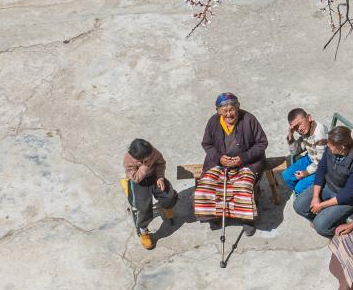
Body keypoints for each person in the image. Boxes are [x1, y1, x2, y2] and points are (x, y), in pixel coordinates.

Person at [193, 92, 268, 236]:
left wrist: (243, 157)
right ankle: (213, 215)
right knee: (206, 187)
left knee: (243, 187)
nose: (229, 114)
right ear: (218, 111)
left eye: (232, 109)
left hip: (246, 163)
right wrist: (219, 157)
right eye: (225, 111)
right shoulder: (213, 121)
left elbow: (262, 143)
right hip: (219, 162)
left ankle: (247, 219)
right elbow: (207, 144)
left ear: (237, 107)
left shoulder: (249, 119)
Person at [293, 126, 353, 238]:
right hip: (331, 185)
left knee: (320, 226)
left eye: (330, 145)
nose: (327, 146)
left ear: (342, 147)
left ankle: (340, 235)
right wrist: (315, 197)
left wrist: (321, 205)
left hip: (349, 197)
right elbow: (322, 169)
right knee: (299, 205)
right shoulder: (333, 146)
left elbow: (349, 194)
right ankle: (326, 220)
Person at [122, 138, 179, 250]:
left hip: (154, 177)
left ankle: (166, 207)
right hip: (139, 183)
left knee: (169, 195)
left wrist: (160, 178)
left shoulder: (152, 151)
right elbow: (135, 178)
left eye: (150, 155)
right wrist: (145, 166)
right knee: (143, 208)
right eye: (147, 157)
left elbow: (160, 163)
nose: (150, 157)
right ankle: (143, 231)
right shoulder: (128, 160)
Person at [282, 108, 328, 195]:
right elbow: (294, 152)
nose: (299, 129)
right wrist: (291, 136)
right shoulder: (305, 131)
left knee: (300, 188)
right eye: (295, 127)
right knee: (287, 175)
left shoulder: (319, 133)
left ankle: (306, 195)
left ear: (309, 118)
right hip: (310, 159)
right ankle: (302, 195)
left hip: (323, 166)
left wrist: (305, 173)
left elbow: (321, 161)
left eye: (300, 124)